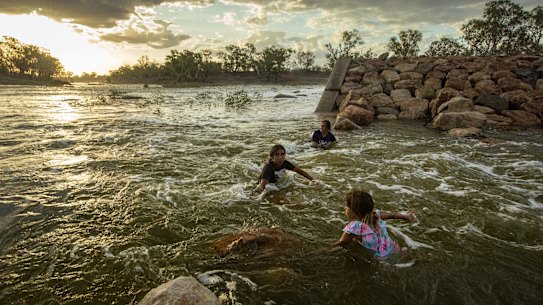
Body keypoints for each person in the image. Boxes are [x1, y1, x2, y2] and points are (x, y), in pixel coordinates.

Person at [334, 189, 417, 258]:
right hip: (394, 249)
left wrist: (327, 249)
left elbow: (342, 244)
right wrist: (406, 216)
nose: (345, 208)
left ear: (356, 211)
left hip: (380, 258)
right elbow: (393, 215)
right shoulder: (375, 215)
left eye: (347, 206)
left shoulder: (353, 228)